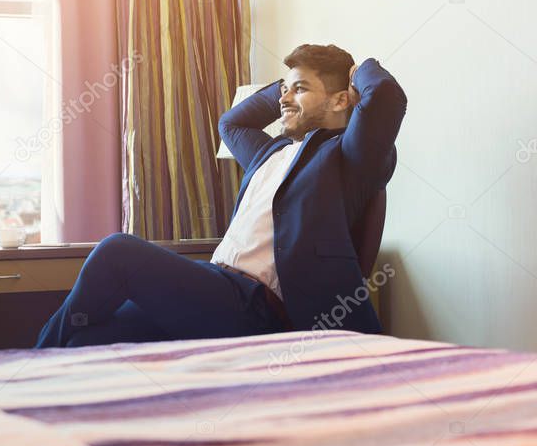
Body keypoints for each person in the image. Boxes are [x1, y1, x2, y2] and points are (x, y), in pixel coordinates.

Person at [35, 44, 407, 348]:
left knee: (117, 252)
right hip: (215, 287)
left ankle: (26, 367)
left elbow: (386, 95)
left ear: (341, 100)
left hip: (257, 307)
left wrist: (360, 70)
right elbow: (231, 122)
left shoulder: (349, 156)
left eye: (301, 89)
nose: (284, 99)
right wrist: (288, 84)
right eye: (284, 90)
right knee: (86, 339)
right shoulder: (271, 152)